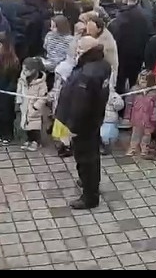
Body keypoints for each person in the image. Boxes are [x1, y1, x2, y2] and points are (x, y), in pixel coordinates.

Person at [54, 35, 112, 209]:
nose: (76, 50)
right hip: (94, 119)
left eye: (80, 48)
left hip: (83, 124)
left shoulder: (87, 74)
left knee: (85, 159)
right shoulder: (103, 65)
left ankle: (89, 196)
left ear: (88, 50)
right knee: (92, 155)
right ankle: (91, 183)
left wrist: (73, 127)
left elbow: (81, 104)